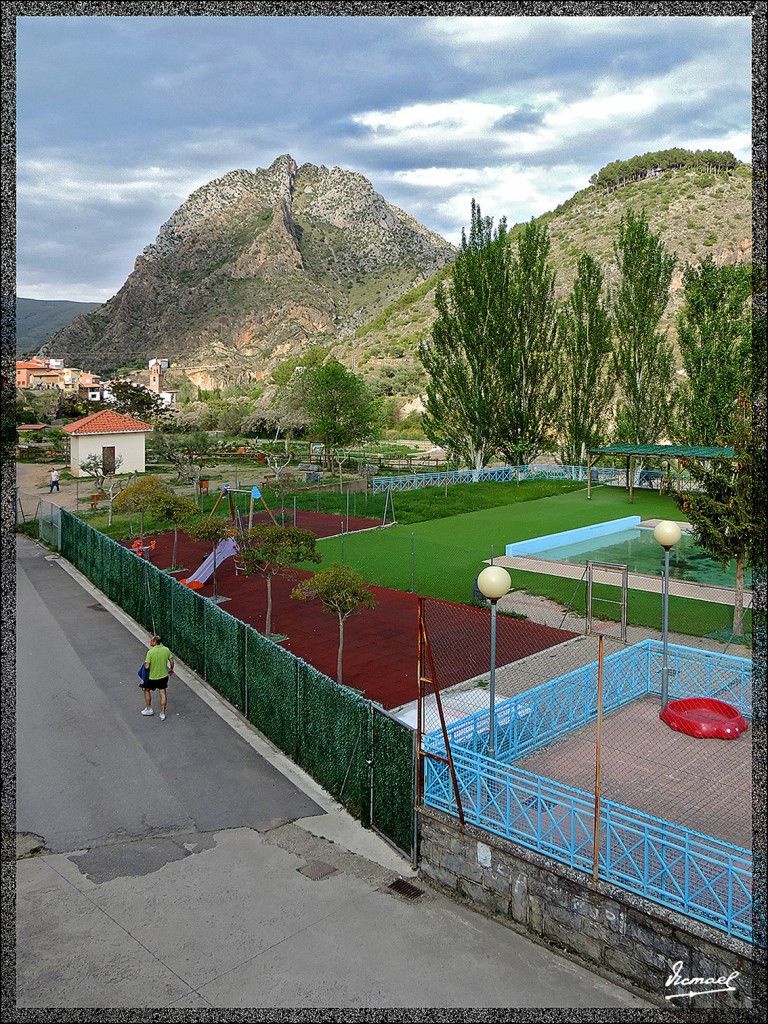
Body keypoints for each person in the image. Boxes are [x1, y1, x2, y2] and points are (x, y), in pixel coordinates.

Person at [141, 635, 174, 719]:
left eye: (151, 640)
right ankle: (162, 713)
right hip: (163, 676)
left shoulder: (150, 652)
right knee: (162, 692)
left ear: (155, 642)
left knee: (146, 690)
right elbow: (171, 660)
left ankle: (149, 709)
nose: (150, 641)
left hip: (152, 677)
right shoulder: (166, 650)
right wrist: (171, 669)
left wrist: (145, 665)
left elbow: (147, 666)